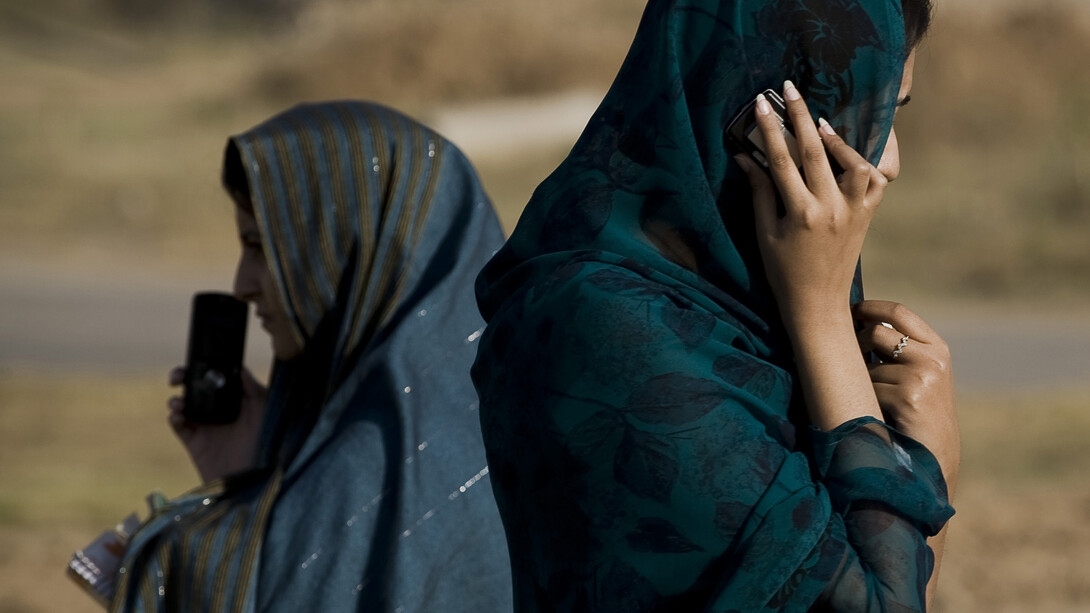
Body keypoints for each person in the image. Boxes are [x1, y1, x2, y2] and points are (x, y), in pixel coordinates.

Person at [472, 0, 959, 610]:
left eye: (893, 112)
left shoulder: (740, 307)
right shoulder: (603, 330)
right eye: (862, 114)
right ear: (756, 122)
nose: (888, 162)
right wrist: (919, 447)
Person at [111, 102, 512, 612]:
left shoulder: (378, 459)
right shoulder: (505, 427)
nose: (243, 285)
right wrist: (257, 476)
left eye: (262, 248)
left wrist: (176, 549)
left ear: (350, 249)